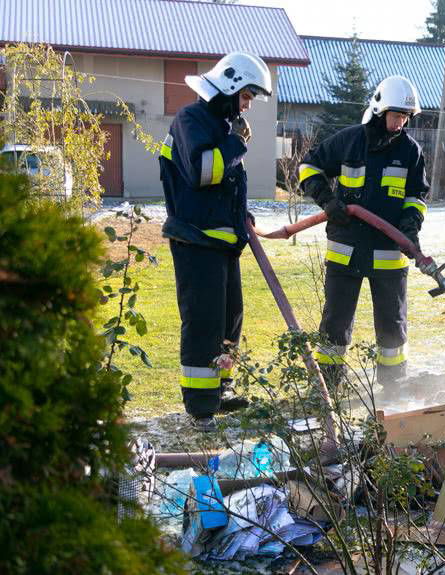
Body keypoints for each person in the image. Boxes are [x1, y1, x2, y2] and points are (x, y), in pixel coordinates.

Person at [158, 52, 272, 431]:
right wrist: (237, 145)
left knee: (229, 321)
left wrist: (241, 216)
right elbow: (205, 173)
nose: (247, 106)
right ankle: (201, 407)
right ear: (228, 86)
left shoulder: (220, 126)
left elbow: (226, 187)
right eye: (245, 97)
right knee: (203, 322)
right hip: (195, 240)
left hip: (221, 242)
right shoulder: (192, 119)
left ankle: (220, 390)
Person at [296, 75, 429, 391]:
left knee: (392, 327)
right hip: (346, 249)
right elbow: (308, 168)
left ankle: (393, 388)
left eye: (405, 117)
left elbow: (416, 197)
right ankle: (327, 388)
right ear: (380, 111)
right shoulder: (349, 141)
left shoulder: (411, 152)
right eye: (396, 116)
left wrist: (410, 229)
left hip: (389, 254)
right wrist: (328, 201)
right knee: (334, 324)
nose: (400, 123)